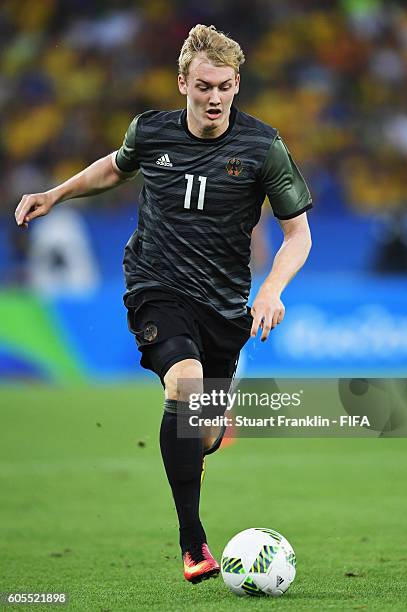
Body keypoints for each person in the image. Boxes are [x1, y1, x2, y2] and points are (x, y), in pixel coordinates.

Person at [15, 24, 312, 583]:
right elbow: (114, 166)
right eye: (204, 86)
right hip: (156, 286)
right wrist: (54, 193)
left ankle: (203, 436)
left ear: (237, 83)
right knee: (185, 382)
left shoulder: (263, 146)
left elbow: (299, 234)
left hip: (226, 307)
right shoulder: (151, 132)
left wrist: (270, 289)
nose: (215, 98)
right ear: (183, 83)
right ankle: (194, 543)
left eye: (225, 86)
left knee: (202, 432)